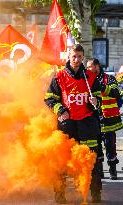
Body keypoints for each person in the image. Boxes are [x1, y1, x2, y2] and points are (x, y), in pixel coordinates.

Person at [44, 44, 102, 203]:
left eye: (79, 57)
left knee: (93, 160)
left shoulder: (90, 76)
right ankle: (60, 195)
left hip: (87, 124)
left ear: (83, 57)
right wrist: (61, 110)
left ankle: (96, 194)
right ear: (68, 57)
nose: (77, 60)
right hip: (67, 125)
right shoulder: (59, 76)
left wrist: (95, 101)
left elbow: (98, 99)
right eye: (74, 56)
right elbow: (49, 98)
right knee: (61, 161)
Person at [87, 58, 123, 180]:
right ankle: (99, 170)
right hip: (95, 119)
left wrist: (101, 86)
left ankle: (113, 168)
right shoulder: (88, 80)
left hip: (109, 119)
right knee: (96, 147)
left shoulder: (109, 78)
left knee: (110, 146)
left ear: (97, 66)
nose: (88, 69)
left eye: (90, 66)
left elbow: (117, 92)